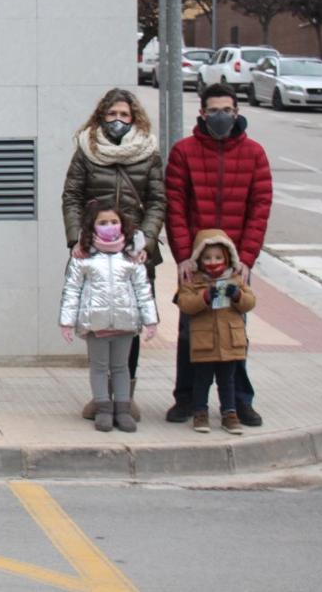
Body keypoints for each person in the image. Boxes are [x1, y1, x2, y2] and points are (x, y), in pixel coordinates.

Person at [164, 83, 273, 427]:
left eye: (226, 110)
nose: (221, 116)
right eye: (213, 110)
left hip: (234, 263)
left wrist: (246, 259)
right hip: (197, 264)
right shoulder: (184, 152)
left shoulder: (254, 153)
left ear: (237, 113)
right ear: (202, 113)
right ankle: (186, 399)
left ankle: (239, 402)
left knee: (235, 331)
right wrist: (184, 256)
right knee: (190, 330)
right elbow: (175, 207)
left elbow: (260, 208)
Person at [61, 88, 164, 422]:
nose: (118, 120)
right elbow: (72, 197)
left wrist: (145, 242)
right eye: (112, 114)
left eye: (124, 115)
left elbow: (157, 201)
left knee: (129, 322)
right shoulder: (86, 150)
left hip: (134, 255)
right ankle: (101, 398)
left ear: (134, 118)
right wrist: (78, 239)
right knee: (96, 323)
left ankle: (125, 398)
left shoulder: (148, 151)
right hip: (94, 251)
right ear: (101, 116)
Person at [59, 200, 158, 433]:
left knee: (121, 367)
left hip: (125, 323)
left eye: (114, 221)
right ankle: (103, 408)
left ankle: (122, 410)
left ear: (123, 224)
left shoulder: (132, 256)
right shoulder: (83, 257)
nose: (109, 226)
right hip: (96, 323)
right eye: (103, 222)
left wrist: (150, 320)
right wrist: (67, 321)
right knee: (99, 367)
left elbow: (143, 290)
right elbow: (72, 290)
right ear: (92, 226)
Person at [176, 229, 256, 435]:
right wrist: (203, 297)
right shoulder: (193, 282)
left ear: (227, 257)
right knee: (202, 380)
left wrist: (237, 296)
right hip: (205, 343)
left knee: (227, 381)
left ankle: (229, 413)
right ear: (199, 260)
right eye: (208, 258)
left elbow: (249, 302)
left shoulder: (236, 279)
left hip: (230, 342)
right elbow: (185, 304)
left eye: (218, 257)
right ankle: (200, 412)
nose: (213, 262)